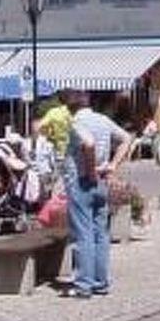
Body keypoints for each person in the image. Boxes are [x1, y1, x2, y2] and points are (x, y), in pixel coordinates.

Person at [65, 89, 131, 298]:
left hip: (82, 181)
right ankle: (100, 282)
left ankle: (84, 285)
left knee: (83, 234)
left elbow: (89, 144)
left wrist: (90, 170)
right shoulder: (103, 120)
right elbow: (126, 139)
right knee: (100, 233)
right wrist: (112, 165)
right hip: (102, 181)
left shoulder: (75, 122)